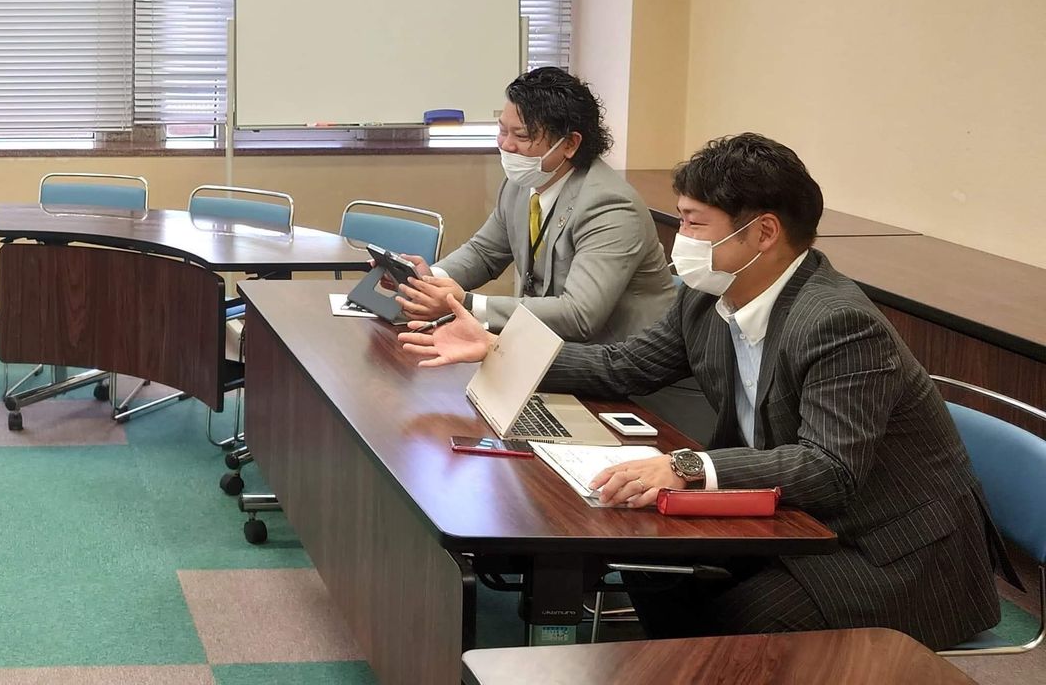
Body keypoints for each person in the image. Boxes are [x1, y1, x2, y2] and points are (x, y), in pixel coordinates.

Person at [398, 133, 1010, 649]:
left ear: (763, 233)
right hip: (788, 518)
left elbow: (829, 469)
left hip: (888, 550)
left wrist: (686, 466)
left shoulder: (837, 322)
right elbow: (626, 366)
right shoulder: (707, 294)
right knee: (649, 561)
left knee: (742, 620)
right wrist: (497, 348)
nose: (679, 239)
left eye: (694, 222)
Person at [395, 67, 675, 344]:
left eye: (522, 136)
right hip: (546, 343)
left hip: (620, 358)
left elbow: (579, 315)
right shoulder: (521, 183)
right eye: (502, 131)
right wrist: (430, 280)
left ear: (570, 144)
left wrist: (467, 303)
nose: (506, 145)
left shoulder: (610, 207)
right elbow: (484, 252)